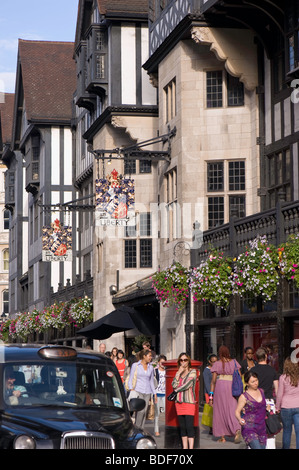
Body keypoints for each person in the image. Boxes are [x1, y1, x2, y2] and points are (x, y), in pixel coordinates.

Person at [209, 345, 242, 443]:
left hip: (220, 387)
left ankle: (222, 437)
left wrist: (211, 396)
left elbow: (213, 381)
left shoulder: (217, 364)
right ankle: (236, 429)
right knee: (232, 409)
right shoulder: (235, 362)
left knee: (219, 411)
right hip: (231, 388)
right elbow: (239, 377)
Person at [235, 370, 268, 449]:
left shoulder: (261, 391)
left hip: (262, 428)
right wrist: (239, 419)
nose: (256, 383)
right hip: (249, 428)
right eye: (253, 382)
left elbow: (261, 406)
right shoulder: (244, 397)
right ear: (247, 383)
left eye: (256, 380)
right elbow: (237, 411)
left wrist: (267, 407)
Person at [172, 352, 197, 449]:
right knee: (182, 428)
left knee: (189, 426)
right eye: (181, 360)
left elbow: (188, 384)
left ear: (188, 361)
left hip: (189, 402)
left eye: (185, 360)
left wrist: (175, 391)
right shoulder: (178, 373)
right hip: (179, 403)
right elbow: (173, 385)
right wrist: (178, 373)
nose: (183, 362)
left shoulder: (193, 372)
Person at [128, 349, 157, 429]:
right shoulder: (136, 365)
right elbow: (131, 378)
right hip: (138, 390)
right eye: (149, 356)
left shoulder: (151, 367)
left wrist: (154, 393)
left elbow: (151, 381)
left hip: (147, 392)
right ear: (144, 356)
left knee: (144, 412)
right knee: (140, 411)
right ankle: (137, 428)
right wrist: (131, 388)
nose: (151, 358)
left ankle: (141, 429)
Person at [276, 357, 299, 449]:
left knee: (287, 430)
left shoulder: (283, 377)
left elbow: (280, 394)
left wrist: (277, 407)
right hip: (298, 405)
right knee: (298, 432)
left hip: (286, 407)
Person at [154, 354, 167, 436]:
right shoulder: (155, 371)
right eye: (161, 362)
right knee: (157, 414)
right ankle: (156, 430)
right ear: (158, 362)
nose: (163, 364)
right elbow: (152, 383)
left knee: (166, 412)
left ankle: (167, 428)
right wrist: (154, 394)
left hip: (165, 393)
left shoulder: (167, 371)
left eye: (164, 362)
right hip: (157, 393)